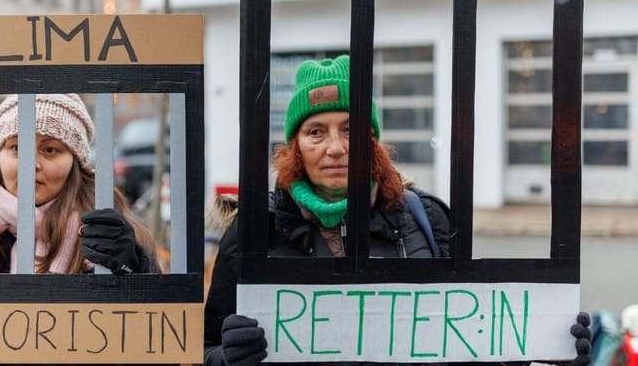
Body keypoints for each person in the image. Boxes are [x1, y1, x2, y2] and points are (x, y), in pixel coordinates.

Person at [203, 55, 591, 366]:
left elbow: (475, 341)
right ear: (295, 147)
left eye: (351, 129)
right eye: (316, 131)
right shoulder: (254, 232)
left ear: (374, 141)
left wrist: (544, 343)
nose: (336, 148)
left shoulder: (427, 220)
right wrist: (227, 357)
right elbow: (202, 349)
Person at [0, 93, 159, 274]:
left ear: (75, 161)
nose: (31, 165)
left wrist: (135, 269)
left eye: (50, 150)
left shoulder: (109, 231)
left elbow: (156, 310)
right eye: (16, 147)